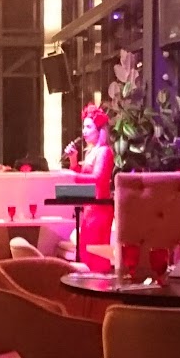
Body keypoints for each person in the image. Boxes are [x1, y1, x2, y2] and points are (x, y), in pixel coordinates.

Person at [68, 104, 115, 273]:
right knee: (86, 252)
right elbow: (83, 177)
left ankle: (99, 285)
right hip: (89, 209)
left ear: (99, 130)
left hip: (100, 209)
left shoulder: (104, 151)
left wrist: (70, 176)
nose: (84, 131)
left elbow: (98, 179)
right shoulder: (91, 152)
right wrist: (73, 161)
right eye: (84, 127)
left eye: (88, 127)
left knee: (96, 256)